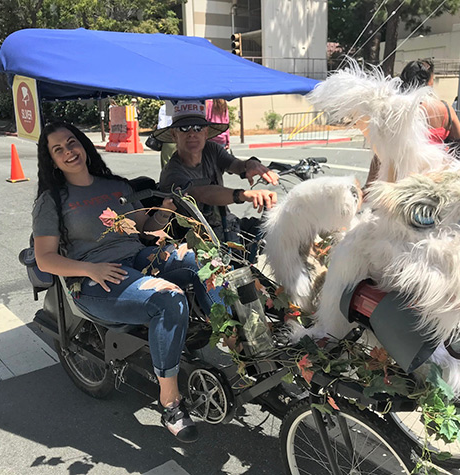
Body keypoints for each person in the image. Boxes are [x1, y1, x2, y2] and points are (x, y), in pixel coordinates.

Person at [32, 121, 222, 443]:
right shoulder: (51, 201)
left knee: (206, 263)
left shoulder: (115, 187)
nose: (68, 152)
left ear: (83, 144)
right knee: (169, 298)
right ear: (51, 160)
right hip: (94, 279)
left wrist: (163, 213)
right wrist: (89, 270)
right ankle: (171, 403)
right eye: (58, 149)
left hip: (136, 259)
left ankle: (233, 342)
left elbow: (144, 230)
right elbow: (45, 258)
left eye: (71, 143)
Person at [154, 100, 278, 242]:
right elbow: (203, 193)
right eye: (184, 128)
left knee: (284, 232)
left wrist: (250, 164)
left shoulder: (211, 150)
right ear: (174, 135)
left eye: (198, 127)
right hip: (198, 239)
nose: (191, 134)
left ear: (206, 132)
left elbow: (235, 164)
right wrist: (244, 195)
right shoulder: (172, 172)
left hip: (227, 224)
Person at [365, 59, 460, 186]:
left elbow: (382, 151)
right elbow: (459, 145)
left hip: (398, 180)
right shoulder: (445, 109)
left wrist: (369, 185)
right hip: (434, 179)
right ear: (429, 82)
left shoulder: (395, 109)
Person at [158, 101, 176, 169]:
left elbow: (161, 125)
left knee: (167, 163)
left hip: (168, 137)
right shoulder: (182, 107)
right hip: (181, 136)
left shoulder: (164, 107)